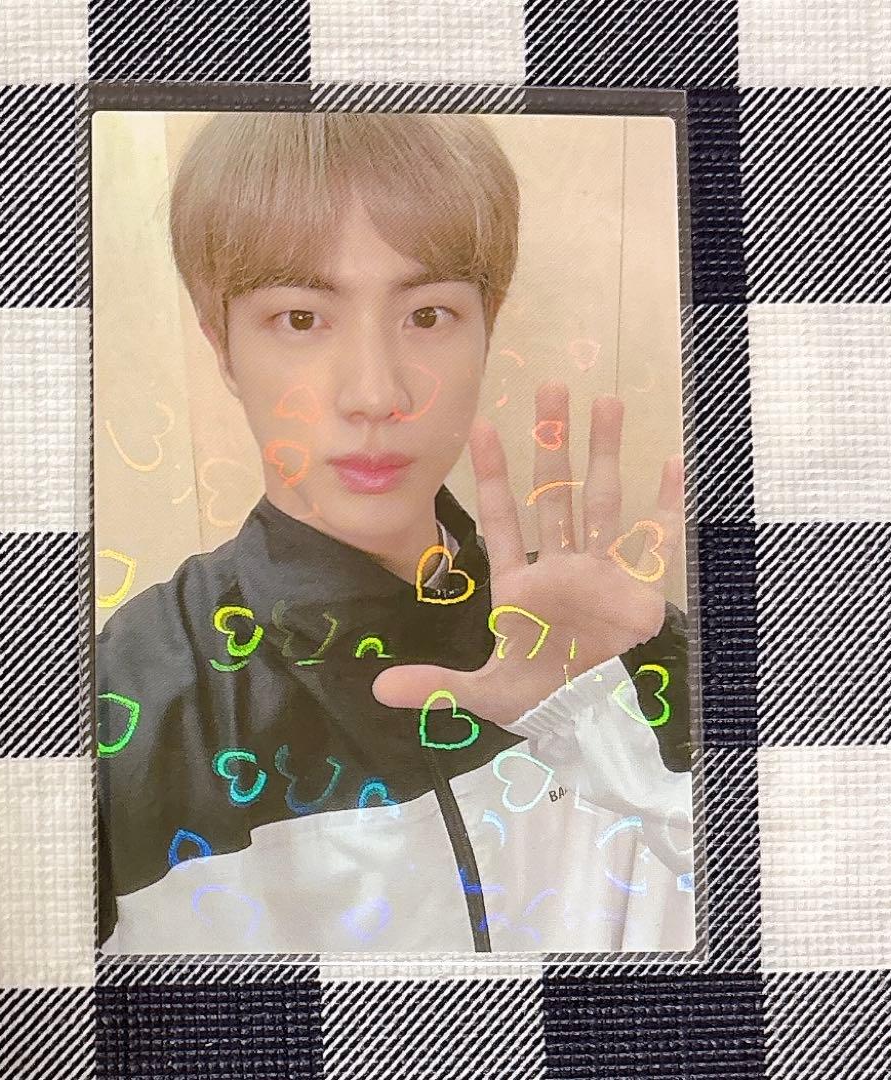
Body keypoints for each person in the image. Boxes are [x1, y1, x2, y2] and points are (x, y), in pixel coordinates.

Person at [96, 111, 695, 954]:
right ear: (222, 345)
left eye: (428, 315)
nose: (376, 393)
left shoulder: (609, 643)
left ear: (487, 327)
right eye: (300, 319)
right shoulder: (121, 709)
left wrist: (635, 722)